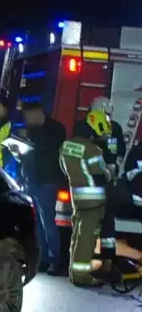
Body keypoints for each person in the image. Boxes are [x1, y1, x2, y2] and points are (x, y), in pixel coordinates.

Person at [59, 110, 113, 287]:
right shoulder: (93, 150)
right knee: (87, 239)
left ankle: (73, 271)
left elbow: (63, 169)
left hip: (77, 199)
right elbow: (101, 176)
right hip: (94, 200)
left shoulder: (66, 145)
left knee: (76, 236)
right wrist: (110, 173)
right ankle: (81, 276)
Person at [17, 103, 66, 274]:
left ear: (37, 113)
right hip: (30, 181)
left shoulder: (55, 129)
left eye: (27, 116)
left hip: (46, 182)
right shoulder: (32, 130)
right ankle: (43, 260)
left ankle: (56, 261)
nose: (26, 121)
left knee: (48, 224)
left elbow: (48, 147)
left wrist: (30, 136)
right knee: (37, 223)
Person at [92, 97, 125, 262]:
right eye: (105, 114)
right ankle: (86, 253)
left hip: (109, 183)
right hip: (92, 182)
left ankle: (108, 257)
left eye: (109, 115)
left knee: (107, 219)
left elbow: (121, 151)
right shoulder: (87, 127)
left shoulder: (115, 128)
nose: (108, 119)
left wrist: (115, 167)